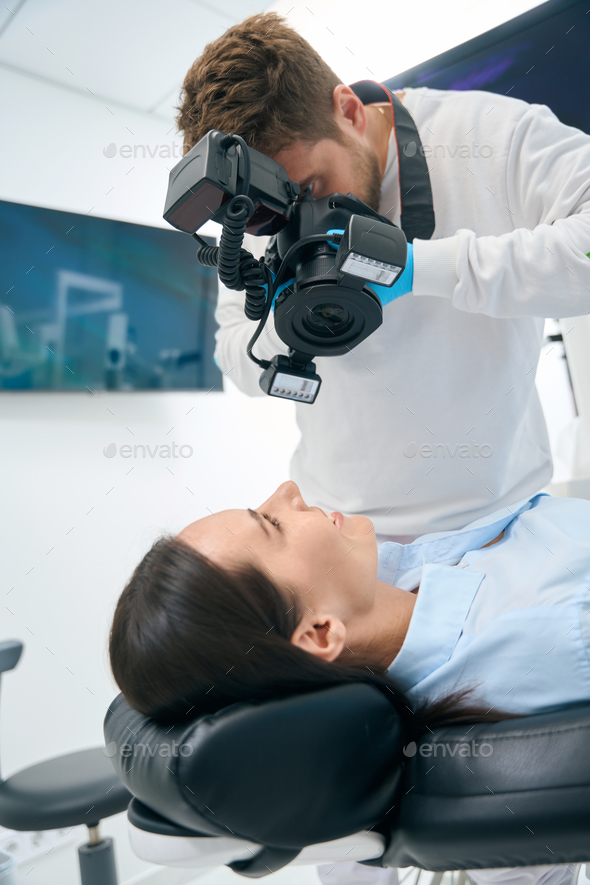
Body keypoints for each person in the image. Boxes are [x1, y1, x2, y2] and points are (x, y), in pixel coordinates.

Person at [174, 11, 590, 546]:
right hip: (338, 536)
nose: (301, 213)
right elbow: (234, 356)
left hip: (500, 526)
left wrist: (423, 269)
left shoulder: (490, 135)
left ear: (348, 110)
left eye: (315, 187)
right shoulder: (256, 208)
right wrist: (283, 320)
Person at [109, 481, 589, 885]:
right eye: (271, 523)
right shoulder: (559, 631)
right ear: (319, 633)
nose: (288, 490)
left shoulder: (409, 575)